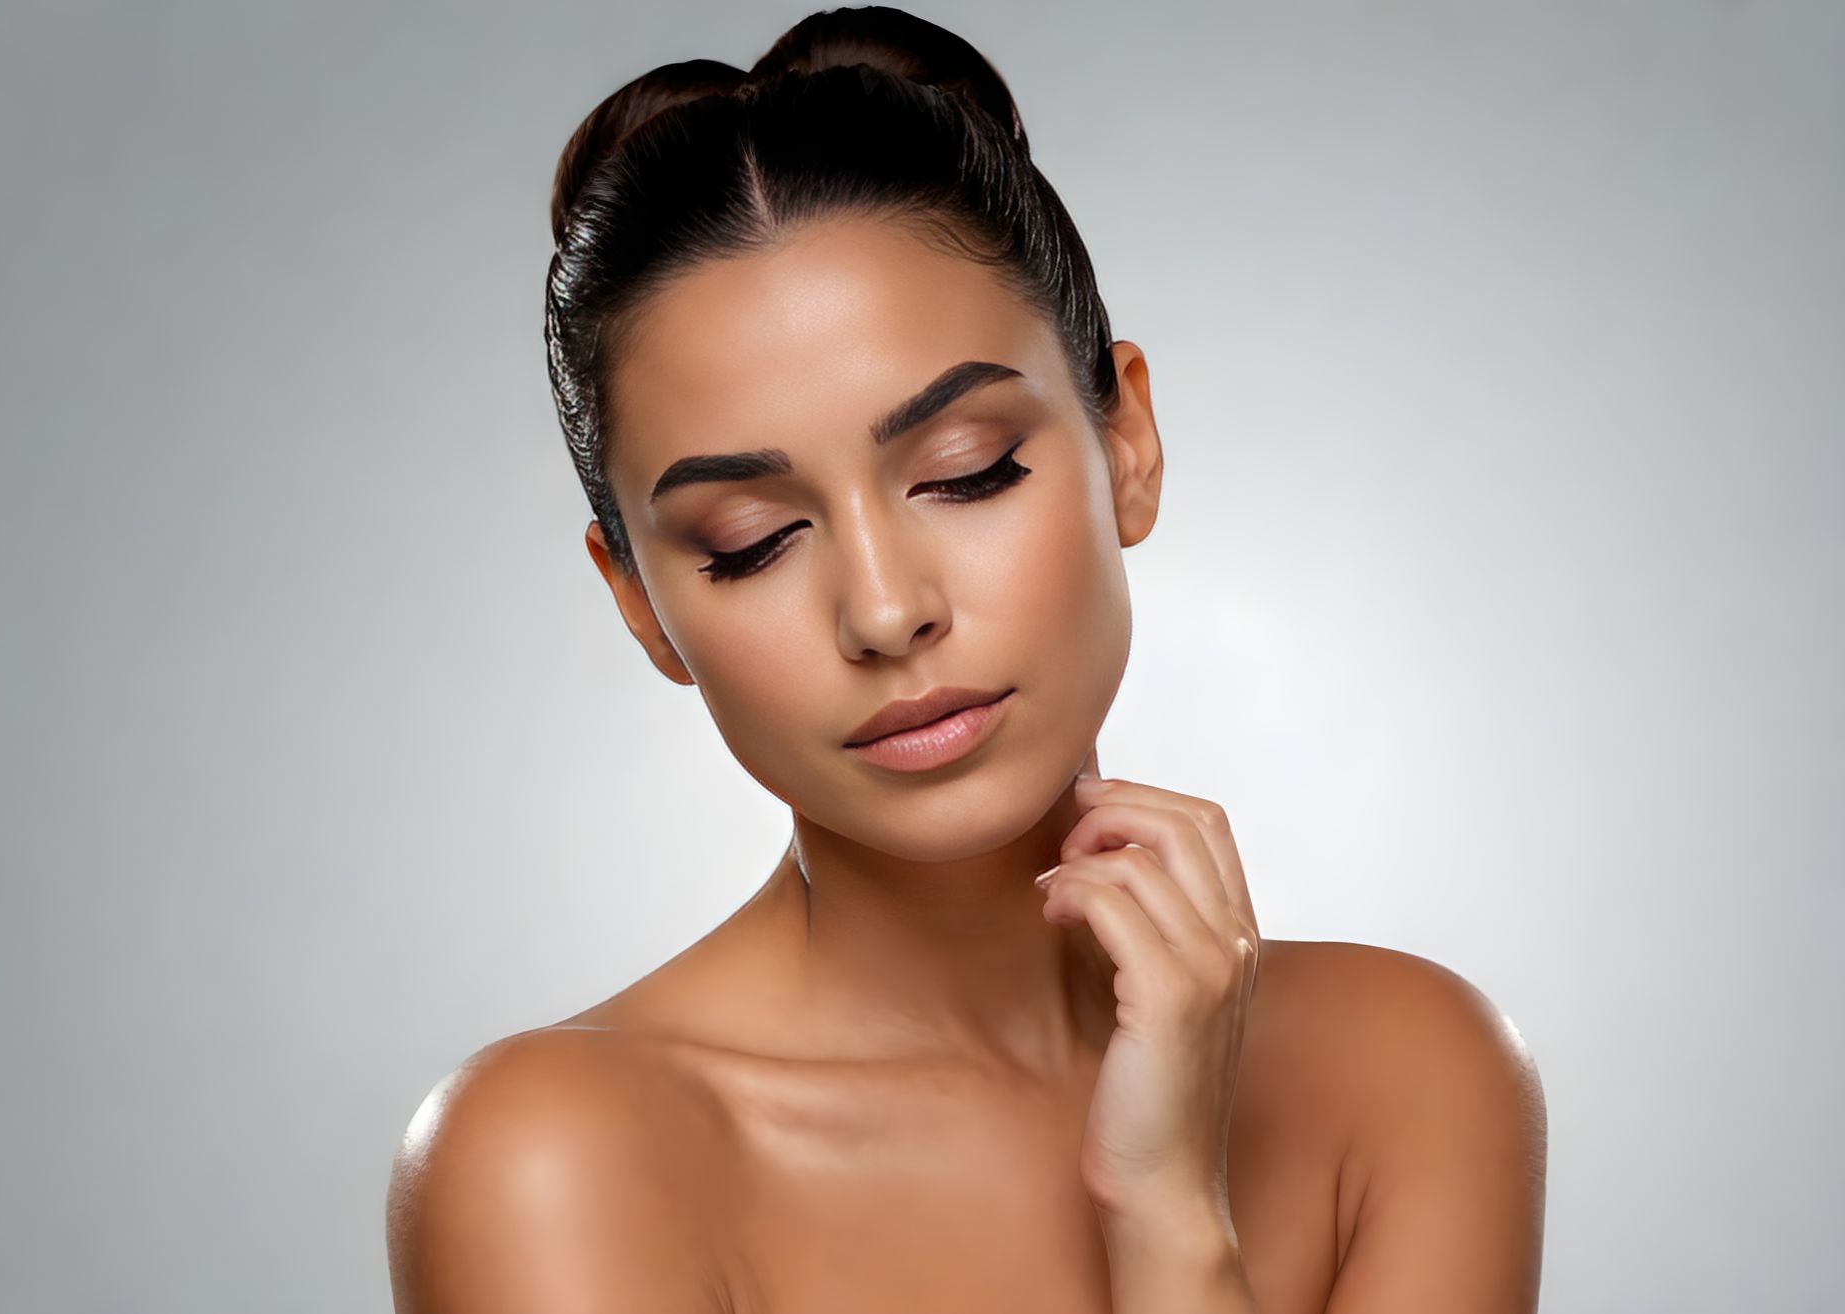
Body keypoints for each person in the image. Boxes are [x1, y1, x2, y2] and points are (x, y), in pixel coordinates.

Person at [384, 7, 1547, 1311]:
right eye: (752, 540)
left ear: (1126, 443)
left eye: (965, 470)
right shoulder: (557, 1161)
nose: (886, 612)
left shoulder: (1407, 1078)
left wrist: (1169, 1205)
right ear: (641, 605)